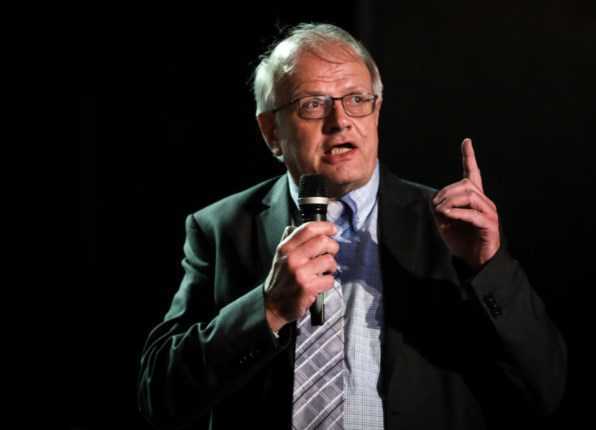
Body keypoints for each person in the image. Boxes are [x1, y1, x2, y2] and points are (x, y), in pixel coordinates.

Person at [137, 22, 567, 430]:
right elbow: (160, 397)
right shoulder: (221, 230)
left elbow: (545, 389)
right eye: (313, 104)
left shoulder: (451, 226)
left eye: (357, 100)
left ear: (377, 112)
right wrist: (268, 309)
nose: (340, 121)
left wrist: (489, 267)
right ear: (271, 132)